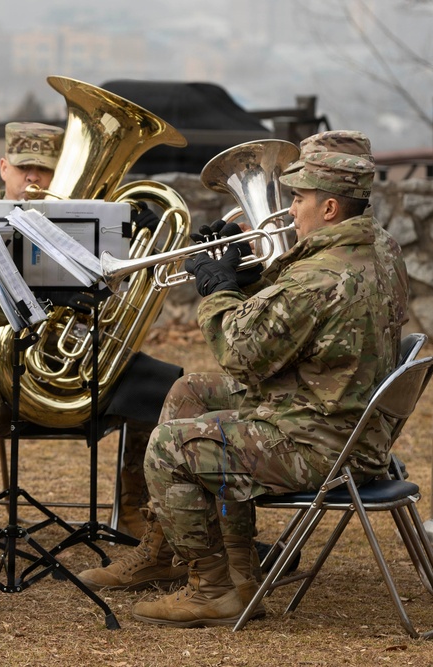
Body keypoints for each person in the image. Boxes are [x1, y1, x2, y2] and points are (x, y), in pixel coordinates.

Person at [121, 131, 408, 628]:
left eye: (299, 198)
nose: (290, 210)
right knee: (192, 392)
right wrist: (244, 279)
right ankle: (234, 572)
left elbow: (240, 354)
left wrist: (216, 288)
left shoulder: (317, 279)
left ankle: (211, 589)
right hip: (349, 425)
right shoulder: (379, 249)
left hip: (317, 443)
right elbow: (298, 323)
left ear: (332, 208)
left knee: (170, 446)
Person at [0, 121, 162, 539]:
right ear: (4, 168)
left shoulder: (89, 226)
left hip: (68, 363)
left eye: (44, 169)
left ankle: (134, 509)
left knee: (158, 386)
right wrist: (40, 297)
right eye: (24, 168)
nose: (33, 178)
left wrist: (139, 239)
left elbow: (122, 304)